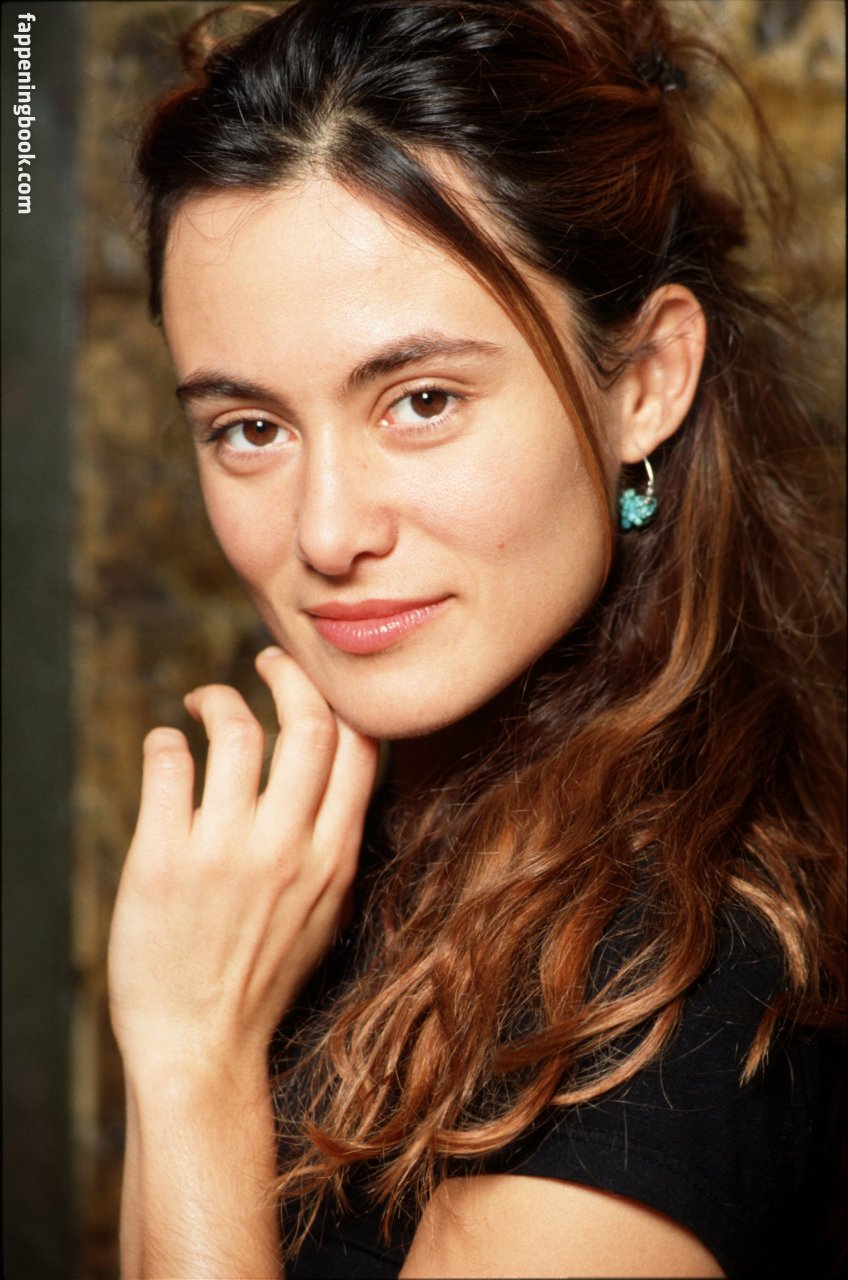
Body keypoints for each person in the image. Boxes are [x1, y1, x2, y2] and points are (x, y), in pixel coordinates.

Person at [107, 1, 845, 1276]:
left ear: (644, 380)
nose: (325, 530)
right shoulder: (316, 876)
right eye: (248, 428)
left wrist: (189, 1061)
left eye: (421, 400)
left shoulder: (674, 970)